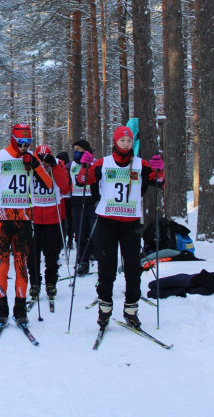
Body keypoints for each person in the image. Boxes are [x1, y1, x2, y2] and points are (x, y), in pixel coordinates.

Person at [76, 126, 165, 329]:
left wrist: (160, 169)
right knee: (106, 269)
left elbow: (159, 183)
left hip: (131, 222)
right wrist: (84, 166)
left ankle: (131, 310)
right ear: (115, 142)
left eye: (129, 141)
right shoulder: (102, 163)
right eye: (122, 141)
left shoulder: (140, 164)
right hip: (107, 222)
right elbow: (81, 182)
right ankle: (104, 310)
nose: (125, 144)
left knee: (133, 269)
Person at [0, 123, 53, 325]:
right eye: (20, 142)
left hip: (23, 218)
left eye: (28, 143)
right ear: (13, 139)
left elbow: (49, 185)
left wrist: (36, 165)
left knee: (22, 265)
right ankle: (1, 308)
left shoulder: (31, 158)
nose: (24, 147)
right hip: (1, 217)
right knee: (2, 264)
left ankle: (20, 309)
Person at [29, 145, 71, 300]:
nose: (43, 162)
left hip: (53, 215)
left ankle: (51, 282)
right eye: (41, 158)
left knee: (51, 254)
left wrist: (53, 166)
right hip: (35, 215)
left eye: (46, 158)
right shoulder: (31, 163)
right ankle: (35, 282)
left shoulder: (58, 164)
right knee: (33, 253)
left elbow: (65, 188)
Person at [69, 140, 99, 275]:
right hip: (77, 202)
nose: (76, 152)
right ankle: (83, 261)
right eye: (74, 149)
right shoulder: (71, 165)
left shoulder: (94, 163)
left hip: (92, 202)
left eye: (79, 150)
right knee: (81, 234)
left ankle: (99, 258)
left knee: (96, 233)